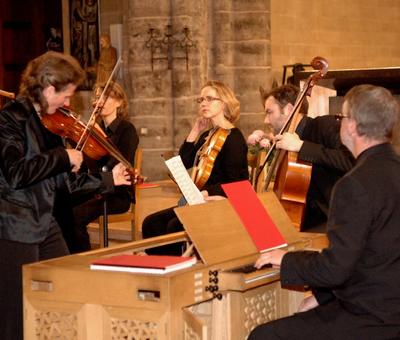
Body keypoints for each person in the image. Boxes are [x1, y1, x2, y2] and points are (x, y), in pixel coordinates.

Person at [249, 84, 400, 340]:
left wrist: (286, 259)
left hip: (371, 315)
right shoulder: (393, 168)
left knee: (263, 336)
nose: (339, 123)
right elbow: (373, 253)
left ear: (352, 127)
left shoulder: (354, 184)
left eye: (343, 117)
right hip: (388, 304)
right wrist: (321, 296)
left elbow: (336, 268)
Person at [0, 51, 131, 340]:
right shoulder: (11, 119)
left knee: (65, 291)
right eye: (66, 95)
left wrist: (109, 179)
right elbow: (16, 173)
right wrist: (62, 156)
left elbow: (65, 185)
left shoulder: (50, 122)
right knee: (13, 310)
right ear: (48, 89)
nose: (69, 104)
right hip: (15, 224)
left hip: (46, 221)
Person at [142, 80, 249, 255]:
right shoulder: (208, 134)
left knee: (174, 225)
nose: (204, 103)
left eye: (209, 98)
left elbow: (237, 183)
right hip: (200, 199)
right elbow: (184, 161)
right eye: (201, 100)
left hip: (220, 202)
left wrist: (206, 192)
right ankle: (161, 269)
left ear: (223, 103)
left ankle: (178, 272)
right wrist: (195, 130)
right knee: (151, 223)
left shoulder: (234, 138)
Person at [261, 84, 355, 231]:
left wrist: (301, 146)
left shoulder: (324, 125)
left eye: (269, 112)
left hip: (332, 221)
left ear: (289, 110)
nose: (266, 120)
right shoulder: (286, 143)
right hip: (301, 221)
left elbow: (349, 162)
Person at [63, 81, 139, 253]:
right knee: (60, 206)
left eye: (106, 96)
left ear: (119, 102)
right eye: (98, 96)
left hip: (117, 193)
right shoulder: (92, 130)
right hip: (95, 186)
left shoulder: (128, 130)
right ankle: (66, 255)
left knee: (76, 216)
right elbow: (84, 167)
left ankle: (83, 260)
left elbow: (120, 164)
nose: (100, 100)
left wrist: (102, 138)